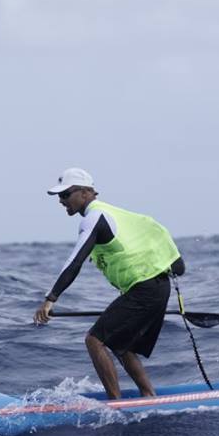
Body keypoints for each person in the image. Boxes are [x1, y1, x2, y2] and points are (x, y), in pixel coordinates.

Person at [34, 168, 185, 399]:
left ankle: (115, 403)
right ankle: (148, 394)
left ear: (85, 193)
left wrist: (50, 299)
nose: (61, 201)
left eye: (65, 195)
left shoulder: (94, 217)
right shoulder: (110, 213)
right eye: (59, 196)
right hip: (153, 287)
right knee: (119, 343)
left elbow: (75, 261)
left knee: (94, 340)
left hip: (146, 288)